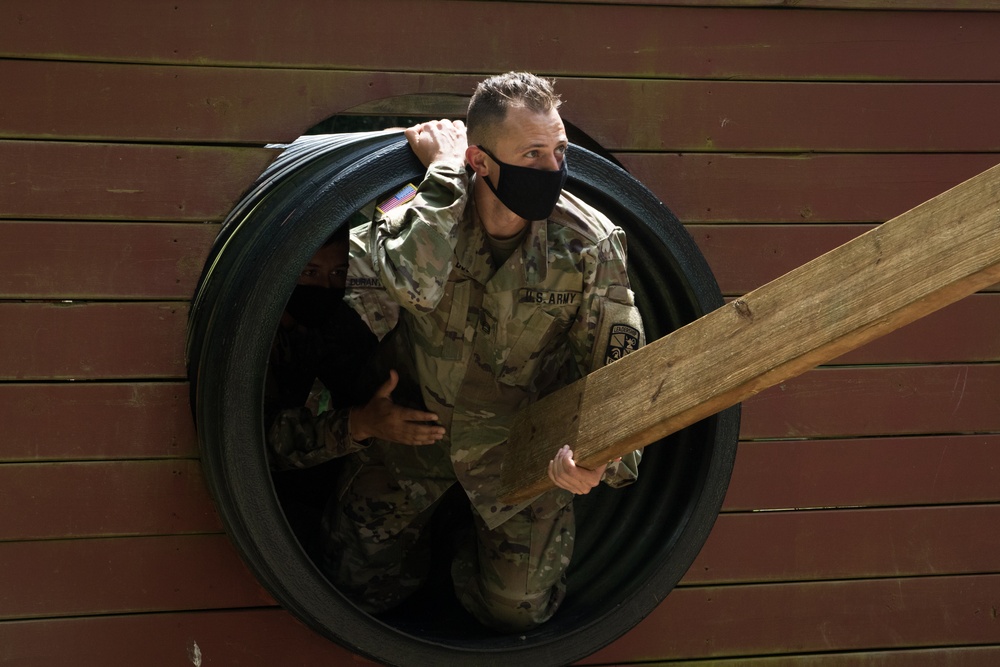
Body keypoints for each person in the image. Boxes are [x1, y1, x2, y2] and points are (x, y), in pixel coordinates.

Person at [325, 72, 645, 632]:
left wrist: (600, 457)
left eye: (559, 150)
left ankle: (464, 557)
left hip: (517, 450)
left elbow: (621, 371)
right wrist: (443, 173)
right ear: (480, 160)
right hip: (411, 433)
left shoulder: (588, 244)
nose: (552, 169)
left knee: (517, 612)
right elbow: (410, 283)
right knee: (351, 586)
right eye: (532, 153)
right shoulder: (415, 215)